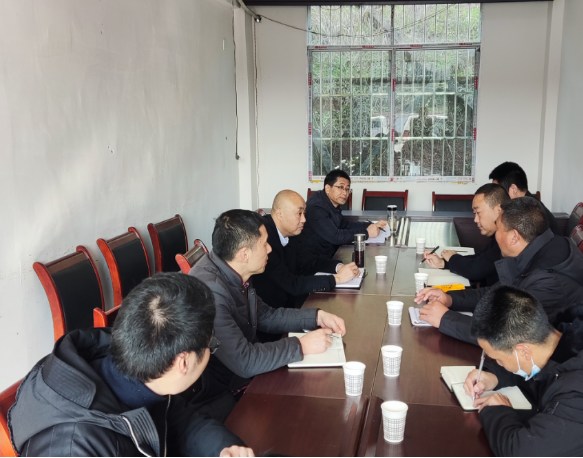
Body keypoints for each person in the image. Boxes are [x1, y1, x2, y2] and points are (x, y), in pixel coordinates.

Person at [8, 273, 254, 457]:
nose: (212, 350)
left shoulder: (142, 368)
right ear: (183, 362)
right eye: (211, 345)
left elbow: (182, 421)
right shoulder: (72, 449)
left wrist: (223, 449)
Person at [463, 285, 583, 456]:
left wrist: (498, 411)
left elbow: (523, 452)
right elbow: (541, 371)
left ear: (523, 351)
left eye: (498, 359)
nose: (498, 363)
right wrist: (494, 375)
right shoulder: (559, 338)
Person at [189, 209, 347, 393]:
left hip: (244, 371)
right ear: (244, 254)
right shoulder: (211, 293)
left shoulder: (233, 268)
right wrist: (302, 345)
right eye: (264, 244)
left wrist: (317, 317)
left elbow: (265, 315)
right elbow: (244, 361)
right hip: (224, 389)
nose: (270, 249)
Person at [415, 197, 583, 345]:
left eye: (498, 229)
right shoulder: (538, 250)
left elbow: (505, 334)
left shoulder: (548, 280)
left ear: (514, 237)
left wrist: (445, 319)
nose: (496, 236)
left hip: (559, 365)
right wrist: (450, 299)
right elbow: (497, 294)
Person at [253, 190, 361, 311]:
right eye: (299, 214)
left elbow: (308, 260)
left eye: (304, 213)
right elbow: (292, 284)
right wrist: (337, 279)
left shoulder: (290, 232)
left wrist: (339, 267)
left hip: (288, 304)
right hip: (269, 312)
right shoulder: (264, 240)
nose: (304, 219)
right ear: (279, 214)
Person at [423, 183, 508, 287]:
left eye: (478, 212)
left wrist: (453, 258)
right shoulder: (498, 237)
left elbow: (475, 269)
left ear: (499, 210)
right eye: (474, 213)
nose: (475, 220)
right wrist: (444, 263)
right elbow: (479, 259)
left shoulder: (507, 240)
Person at [298, 169, 388, 258]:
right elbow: (335, 236)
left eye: (347, 189)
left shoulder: (331, 202)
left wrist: (372, 225)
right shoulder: (316, 207)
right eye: (340, 187)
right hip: (314, 259)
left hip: (328, 254)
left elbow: (344, 224)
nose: (345, 193)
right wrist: (366, 233)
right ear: (328, 188)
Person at [489, 161, 562, 235]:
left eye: (499, 191)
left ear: (514, 189)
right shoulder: (526, 202)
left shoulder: (530, 211)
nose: (497, 196)